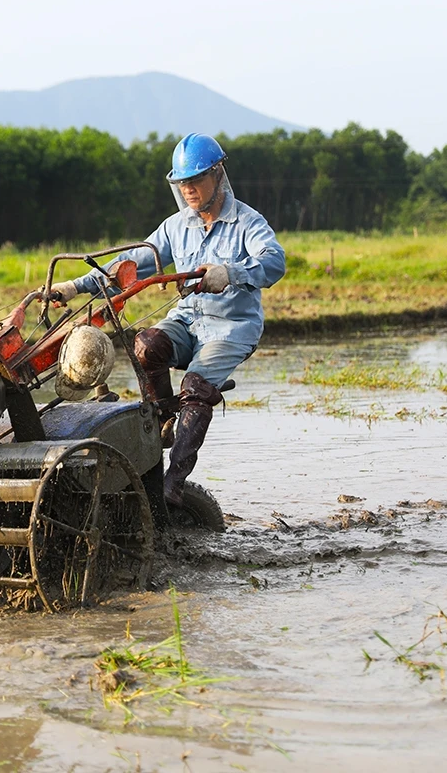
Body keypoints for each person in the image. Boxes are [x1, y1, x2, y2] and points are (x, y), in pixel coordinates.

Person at [49, 133, 286, 507]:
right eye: (182, 182)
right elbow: (128, 266)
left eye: (196, 180)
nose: (188, 189)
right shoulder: (176, 226)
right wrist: (74, 286)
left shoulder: (247, 222)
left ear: (217, 174)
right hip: (188, 320)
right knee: (147, 345)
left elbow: (274, 262)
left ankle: (172, 484)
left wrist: (230, 272)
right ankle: (162, 422)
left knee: (196, 386)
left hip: (231, 328)